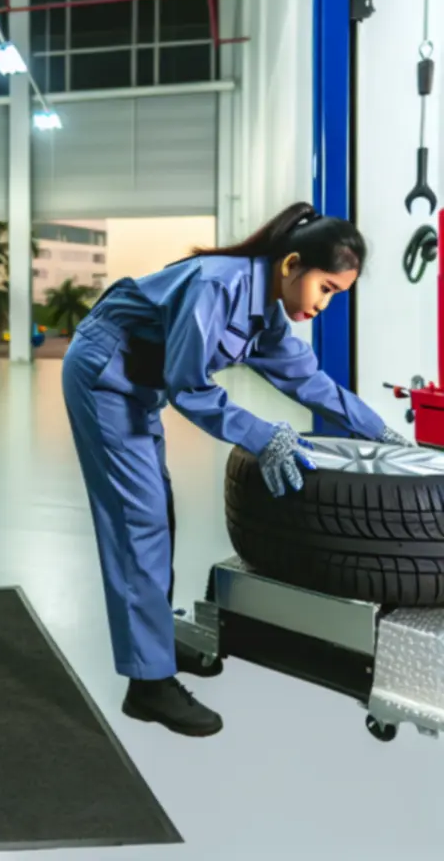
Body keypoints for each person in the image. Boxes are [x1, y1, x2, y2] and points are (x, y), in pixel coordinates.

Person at [62, 202, 408, 738]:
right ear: (292, 264)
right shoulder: (216, 286)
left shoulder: (265, 310)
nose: (325, 305)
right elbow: (189, 388)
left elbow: (307, 380)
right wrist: (264, 436)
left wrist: (378, 432)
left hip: (139, 380)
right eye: (327, 289)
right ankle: (147, 686)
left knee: (157, 516)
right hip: (105, 376)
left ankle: (151, 640)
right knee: (139, 520)